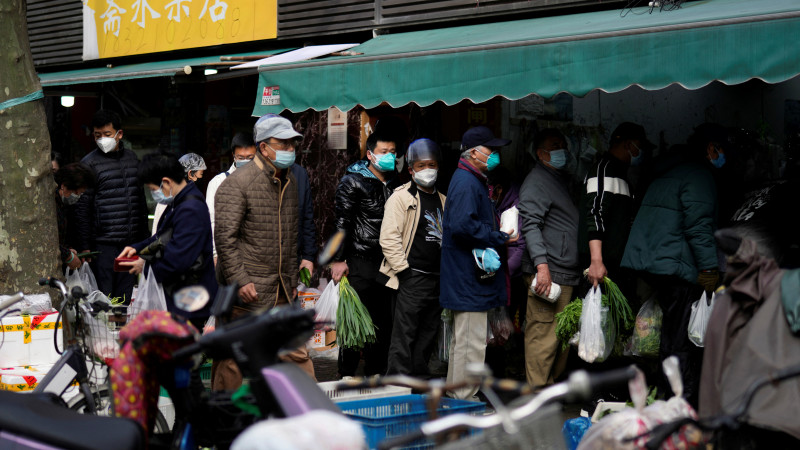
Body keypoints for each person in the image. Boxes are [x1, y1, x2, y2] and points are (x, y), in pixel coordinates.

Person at [621, 123, 726, 406]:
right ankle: (679, 402)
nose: (723, 156)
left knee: (672, 335)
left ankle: (667, 397)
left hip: (656, 265)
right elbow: (698, 227)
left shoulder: (669, 170)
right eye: (721, 149)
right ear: (709, 149)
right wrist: (708, 270)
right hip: (677, 267)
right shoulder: (700, 175)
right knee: (682, 342)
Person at [213, 114, 315, 388]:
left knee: (297, 353)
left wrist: (292, 279)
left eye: (292, 144)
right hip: (247, 291)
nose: (289, 150)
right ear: (263, 147)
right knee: (232, 358)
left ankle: (312, 419)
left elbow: (291, 234)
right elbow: (225, 238)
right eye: (282, 144)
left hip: (281, 287)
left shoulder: (291, 181)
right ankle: (222, 420)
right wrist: (241, 279)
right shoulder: (237, 184)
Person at [440, 126, 515, 401]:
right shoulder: (466, 181)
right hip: (467, 280)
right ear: (473, 153)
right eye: (490, 150)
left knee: (464, 343)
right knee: (469, 345)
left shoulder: (471, 179)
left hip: (466, 280)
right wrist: (497, 237)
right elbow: (462, 226)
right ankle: (465, 400)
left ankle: (457, 399)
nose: (495, 155)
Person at [116, 152, 217, 328]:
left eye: (153, 189)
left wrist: (145, 266)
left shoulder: (190, 209)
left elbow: (178, 261)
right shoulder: (181, 201)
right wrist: (137, 248)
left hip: (190, 302)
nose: (154, 194)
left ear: (167, 182)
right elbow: (163, 236)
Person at [331, 130, 401, 377]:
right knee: (356, 321)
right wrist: (338, 260)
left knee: (383, 323)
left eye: (393, 152)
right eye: (384, 152)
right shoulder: (352, 181)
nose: (390, 157)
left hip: (388, 262)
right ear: (370, 154)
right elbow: (342, 222)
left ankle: (375, 375)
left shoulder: (396, 181)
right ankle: (346, 374)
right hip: (360, 261)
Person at [518, 128, 581, 391]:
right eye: (556, 146)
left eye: (564, 145)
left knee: (559, 339)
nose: (562, 150)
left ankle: (547, 395)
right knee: (543, 338)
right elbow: (530, 225)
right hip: (549, 272)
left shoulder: (557, 178)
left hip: (563, 271)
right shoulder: (537, 181)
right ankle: (536, 399)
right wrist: (541, 267)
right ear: (541, 153)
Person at [379, 139, 447, 376]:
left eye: (431, 164)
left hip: (437, 278)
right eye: (421, 166)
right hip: (412, 277)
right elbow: (389, 238)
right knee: (404, 335)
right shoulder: (401, 198)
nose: (427, 170)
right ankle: (397, 384)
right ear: (410, 169)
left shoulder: (443, 200)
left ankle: (418, 383)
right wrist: (404, 272)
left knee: (428, 333)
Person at [74, 109, 148, 302]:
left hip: (129, 243)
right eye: (97, 135)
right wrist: (85, 245)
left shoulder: (132, 159)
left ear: (119, 134)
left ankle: (121, 331)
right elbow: (82, 208)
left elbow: (139, 200)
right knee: (103, 297)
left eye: (107, 135)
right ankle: (103, 332)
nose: (102, 139)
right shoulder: (88, 164)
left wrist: (144, 240)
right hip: (103, 245)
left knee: (124, 295)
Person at [579, 122, 654, 293]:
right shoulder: (603, 170)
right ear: (629, 145)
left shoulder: (621, 173)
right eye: (640, 147)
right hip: (601, 266)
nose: (642, 153)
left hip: (616, 265)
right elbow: (595, 213)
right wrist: (596, 261)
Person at [485, 167, 527, 377]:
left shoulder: (515, 207)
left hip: (509, 278)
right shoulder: (494, 205)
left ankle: (497, 377)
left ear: (498, 189)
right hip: (492, 276)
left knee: (500, 332)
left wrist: (500, 273)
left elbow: (519, 247)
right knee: (489, 332)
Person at [205, 133, 257, 264]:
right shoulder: (218, 182)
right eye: (241, 157)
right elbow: (211, 220)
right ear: (233, 156)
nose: (245, 161)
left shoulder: (264, 181)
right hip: (227, 256)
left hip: (256, 257)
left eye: (250, 158)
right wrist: (215, 253)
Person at [153, 153, 208, 235]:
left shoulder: (167, 195)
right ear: (190, 174)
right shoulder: (186, 199)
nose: (202, 178)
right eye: (201, 174)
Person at [55, 163, 95, 270]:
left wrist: (68, 250)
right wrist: (67, 255)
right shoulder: (50, 206)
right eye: (75, 192)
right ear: (63, 186)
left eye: (80, 193)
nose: (77, 196)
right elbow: (46, 239)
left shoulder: (68, 206)